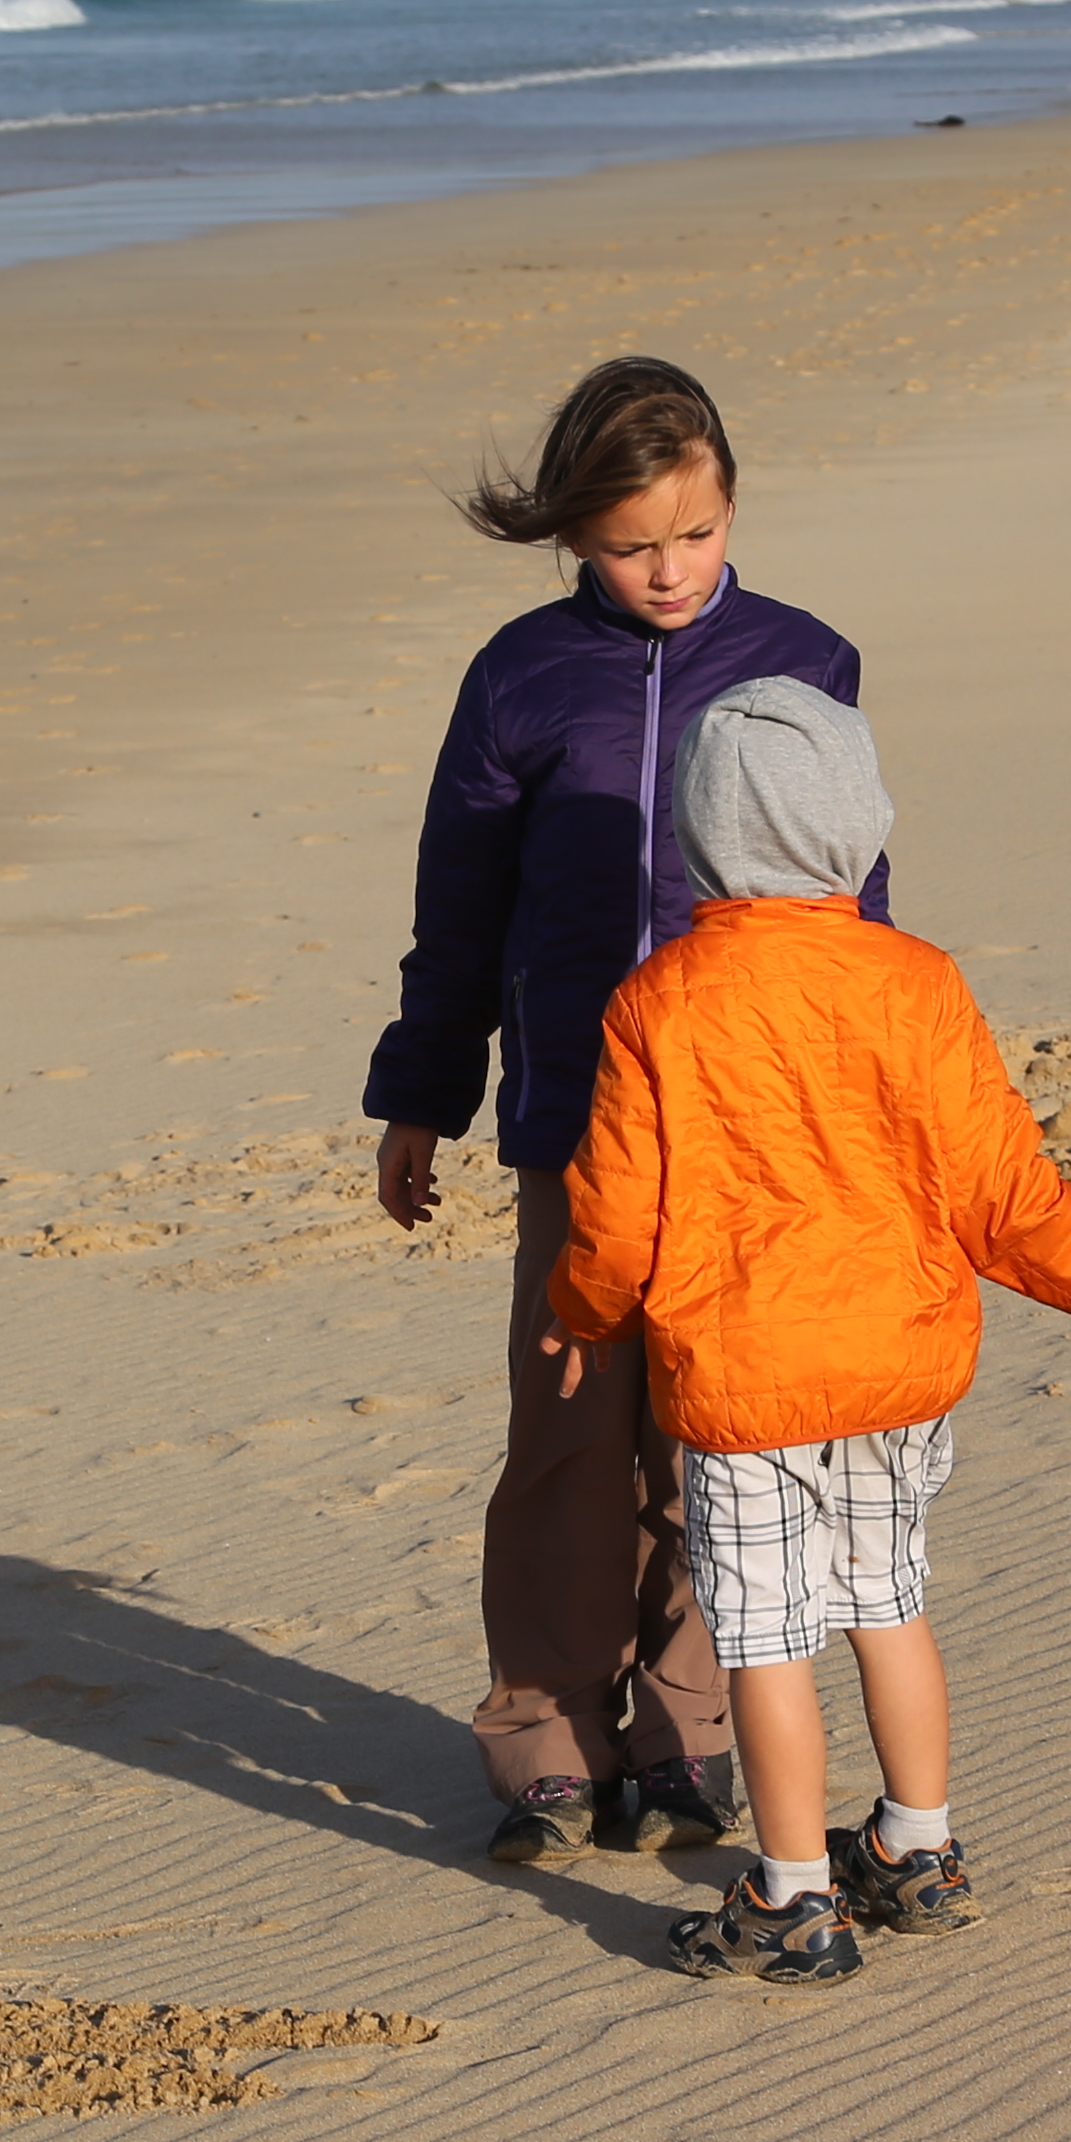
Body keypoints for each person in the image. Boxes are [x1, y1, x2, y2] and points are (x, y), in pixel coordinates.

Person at [544, 682, 1071, 1987]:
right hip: (897, 1367)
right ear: (856, 828)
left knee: (769, 1637)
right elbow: (999, 1187)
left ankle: (790, 1895)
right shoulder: (917, 981)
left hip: (747, 1379)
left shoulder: (661, 1001)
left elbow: (616, 1210)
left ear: (700, 838)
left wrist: (581, 1312)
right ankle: (918, 1844)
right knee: (889, 1603)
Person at [365, 356, 884, 1870]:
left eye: (697, 533)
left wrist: (851, 1101)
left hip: (753, 1123)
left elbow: (853, 893)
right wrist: (422, 1092)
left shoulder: (808, 662)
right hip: (576, 1117)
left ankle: (685, 1727)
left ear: (733, 510)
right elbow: (457, 909)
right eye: (630, 542)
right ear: (573, 533)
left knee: (710, 1434)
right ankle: (548, 1732)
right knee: (574, 1426)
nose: (668, 570)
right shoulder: (520, 676)